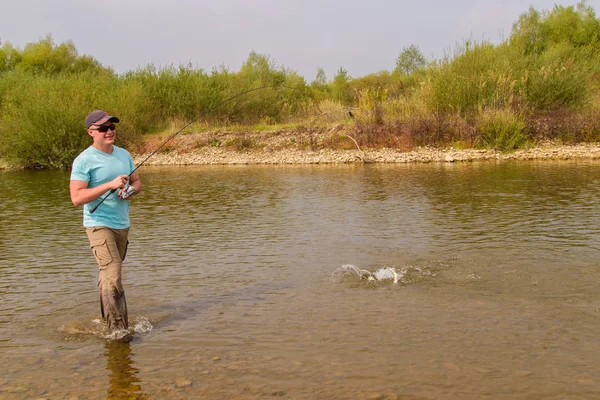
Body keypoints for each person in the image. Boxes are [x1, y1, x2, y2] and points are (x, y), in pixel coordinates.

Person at [70, 110, 142, 339]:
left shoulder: (124, 154)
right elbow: (77, 198)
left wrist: (130, 191)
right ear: (91, 132)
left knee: (108, 275)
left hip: (122, 224)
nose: (110, 131)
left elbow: (137, 181)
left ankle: (106, 321)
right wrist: (108, 185)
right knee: (113, 276)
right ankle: (118, 331)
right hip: (98, 223)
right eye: (103, 128)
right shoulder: (83, 160)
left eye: (112, 127)